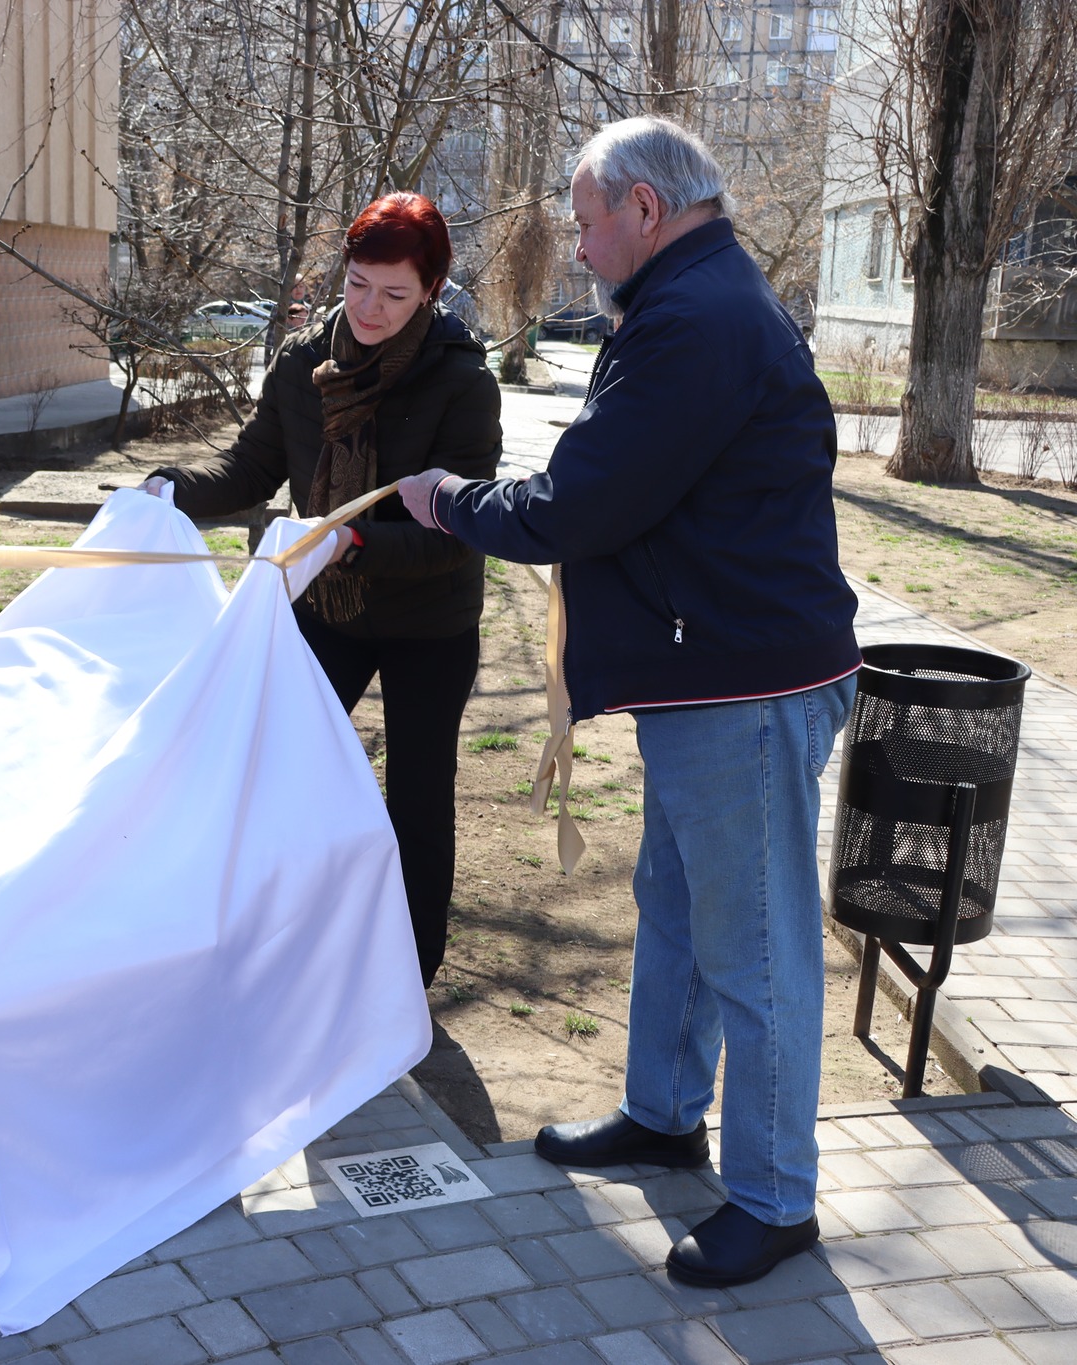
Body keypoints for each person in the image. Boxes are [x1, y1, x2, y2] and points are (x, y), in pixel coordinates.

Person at [396, 117, 860, 1287]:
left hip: (743, 686)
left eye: (584, 219)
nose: (576, 244)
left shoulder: (696, 321)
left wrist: (452, 502)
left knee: (752, 950)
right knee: (675, 900)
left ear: (644, 211)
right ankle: (662, 1112)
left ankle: (771, 1196)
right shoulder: (685, 303)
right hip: (706, 673)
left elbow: (580, 502)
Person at [144, 191, 502, 988]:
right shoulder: (303, 363)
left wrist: (353, 539)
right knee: (274, 763)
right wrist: (169, 489)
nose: (370, 309)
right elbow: (247, 468)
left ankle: (408, 973)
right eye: (357, 284)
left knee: (415, 791)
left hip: (430, 619)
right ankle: (274, 935)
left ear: (432, 291)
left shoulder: (462, 383)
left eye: (395, 293)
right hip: (329, 609)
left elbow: (457, 531)